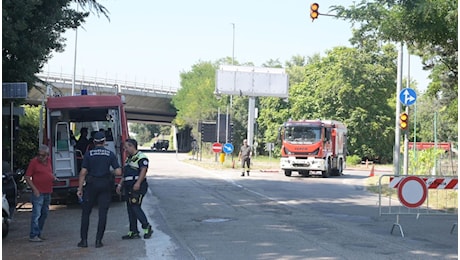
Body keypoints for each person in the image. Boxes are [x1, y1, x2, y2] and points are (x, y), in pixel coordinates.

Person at [76, 131, 122, 248]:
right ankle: (98, 241)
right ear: (104, 141)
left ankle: (84, 241)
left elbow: (83, 173)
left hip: (91, 185)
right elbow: (118, 172)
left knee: (86, 213)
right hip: (105, 185)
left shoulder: (89, 154)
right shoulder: (110, 154)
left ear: (93, 142)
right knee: (103, 213)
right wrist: (109, 172)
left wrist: (80, 188)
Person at [117, 138, 153, 240]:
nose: (125, 150)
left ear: (132, 146)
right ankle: (133, 231)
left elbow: (143, 170)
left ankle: (147, 227)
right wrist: (120, 185)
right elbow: (125, 174)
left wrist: (138, 183)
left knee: (135, 206)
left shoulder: (141, 157)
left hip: (138, 186)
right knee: (130, 209)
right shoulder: (128, 159)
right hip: (128, 186)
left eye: (126, 147)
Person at [24, 145, 55, 242]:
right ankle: (33, 235)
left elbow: (48, 172)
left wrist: (52, 177)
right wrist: (35, 189)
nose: (40, 157)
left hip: (47, 191)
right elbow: (27, 177)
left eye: (43, 155)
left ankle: (38, 233)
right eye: (39, 155)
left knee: (44, 213)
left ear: (47, 155)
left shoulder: (49, 161)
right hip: (38, 192)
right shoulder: (34, 162)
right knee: (36, 214)